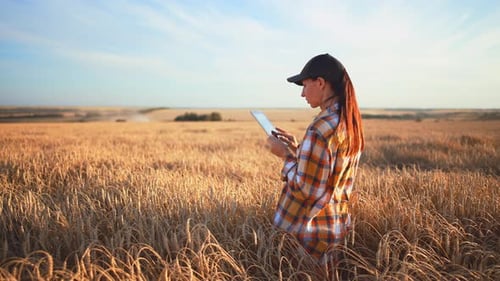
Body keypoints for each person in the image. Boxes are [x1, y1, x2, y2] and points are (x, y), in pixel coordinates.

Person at [267, 53, 365, 265]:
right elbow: (329, 173)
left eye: (304, 85)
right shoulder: (347, 121)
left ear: (320, 83)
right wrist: (299, 149)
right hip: (335, 227)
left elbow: (307, 189)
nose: (302, 93)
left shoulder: (320, 128)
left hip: (310, 235)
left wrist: (285, 155)